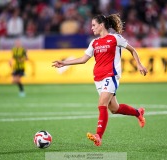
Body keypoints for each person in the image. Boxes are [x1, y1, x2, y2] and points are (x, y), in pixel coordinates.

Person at [52, 14, 148, 146]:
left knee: (102, 103)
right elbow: (83, 59)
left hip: (111, 76)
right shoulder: (94, 42)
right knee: (114, 108)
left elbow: (132, 50)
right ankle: (138, 113)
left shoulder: (115, 38)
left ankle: (98, 136)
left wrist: (139, 64)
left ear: (101, 25)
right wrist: (64, 63)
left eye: (93, 25)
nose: (91, 28)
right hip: (98, 78)